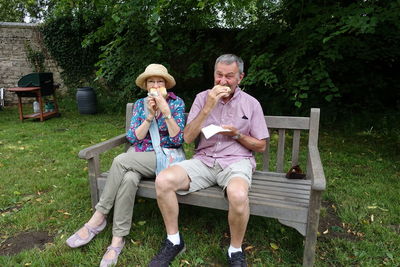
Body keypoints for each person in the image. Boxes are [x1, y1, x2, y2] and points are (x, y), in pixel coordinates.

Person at [149, 54, 269, 267]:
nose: (223, 81)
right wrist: (208, 106)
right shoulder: (202, 97)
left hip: (235, 161)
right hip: (203, 160)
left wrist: (238, 135)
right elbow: (187, 138)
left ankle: (235, 251)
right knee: (163, 180)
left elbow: (261, 145)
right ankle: (174, 240)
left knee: (238, 194)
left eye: (229, 76)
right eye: (219, 75)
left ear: (240, 77)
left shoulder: (251, 104)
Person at [66, 64, 185, 267]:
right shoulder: (141, 104)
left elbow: (178, 139)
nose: (155, 85)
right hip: (140, 156)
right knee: (128, 178)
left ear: (166, 84)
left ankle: (99, 216)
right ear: (146, 85)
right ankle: (117, 239)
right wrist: (149, 116)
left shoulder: (176, 103)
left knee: (120, 161)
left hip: (166, 157)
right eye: (151, 81)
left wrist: (165, 112)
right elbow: (133, 137)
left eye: (160, 81)